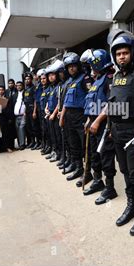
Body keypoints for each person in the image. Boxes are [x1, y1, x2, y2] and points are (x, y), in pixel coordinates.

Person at [91, 30, 134, 236]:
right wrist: (107, 125)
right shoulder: (116, 77)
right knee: (126, 172)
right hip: (117, 132)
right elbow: (113, 106)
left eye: (125, 53)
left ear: (132, 53)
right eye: (118, 54)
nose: (121, 57)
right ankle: (132, 206)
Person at [85, 49, 118, 203]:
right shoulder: (98, 79)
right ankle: (98, 181)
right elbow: (93, 102)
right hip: (93, 124)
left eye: (92, 64)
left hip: (104, 124)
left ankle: (110, 188)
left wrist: (98, 121)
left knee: (106, 156)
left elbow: (112, 104)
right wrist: (89, 120)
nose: (90, 67)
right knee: (94, 154)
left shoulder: (109, 78)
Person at [59, 52, 93, 182]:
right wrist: (62, 117)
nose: (71, 68)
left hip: (81, 116)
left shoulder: (85, 79)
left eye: (73, 66)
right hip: (69, 117)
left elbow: (91, 98)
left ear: (78, 66)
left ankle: (88, 172)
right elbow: (66, 102)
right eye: (69, 67)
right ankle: (78, 168)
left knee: (85, 146)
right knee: (74, 145)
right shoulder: (69, 82)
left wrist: (89, 118)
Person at [45, 61, 64, 163]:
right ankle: (55, 152)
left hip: (56, 115)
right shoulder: (51, 87)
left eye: (53, 75)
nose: (51, 77)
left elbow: (59, 102)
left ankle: (61, 155)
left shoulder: (59, 86)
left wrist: (53, 114)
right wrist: (47, 109)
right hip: (50, 114)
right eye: (49, 75)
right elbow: (49, 100)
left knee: (58, 136)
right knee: (52, 135)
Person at [10, 81, 27, 150]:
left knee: (21, 128)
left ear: (22, 86)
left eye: (20, 85)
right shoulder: (15, 95)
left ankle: (22, 144)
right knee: (17, 129)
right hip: (16, 115)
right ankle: (20, 143)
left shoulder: (25, 93)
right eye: (17, 86)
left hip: (23, 114)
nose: (18, 87)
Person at [24, 74, 36, 149]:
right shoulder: (26, 89)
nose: (27, 80)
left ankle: (37, 142)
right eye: (26, 79)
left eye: (28, 79)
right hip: (27, 110)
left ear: (31, 80)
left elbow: (35, 100)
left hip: (32, 109)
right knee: (29, 127)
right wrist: (25, 111)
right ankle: (32, 142)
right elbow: (25, 101)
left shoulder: (33, 88)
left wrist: (34, 111)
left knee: (34, 126)